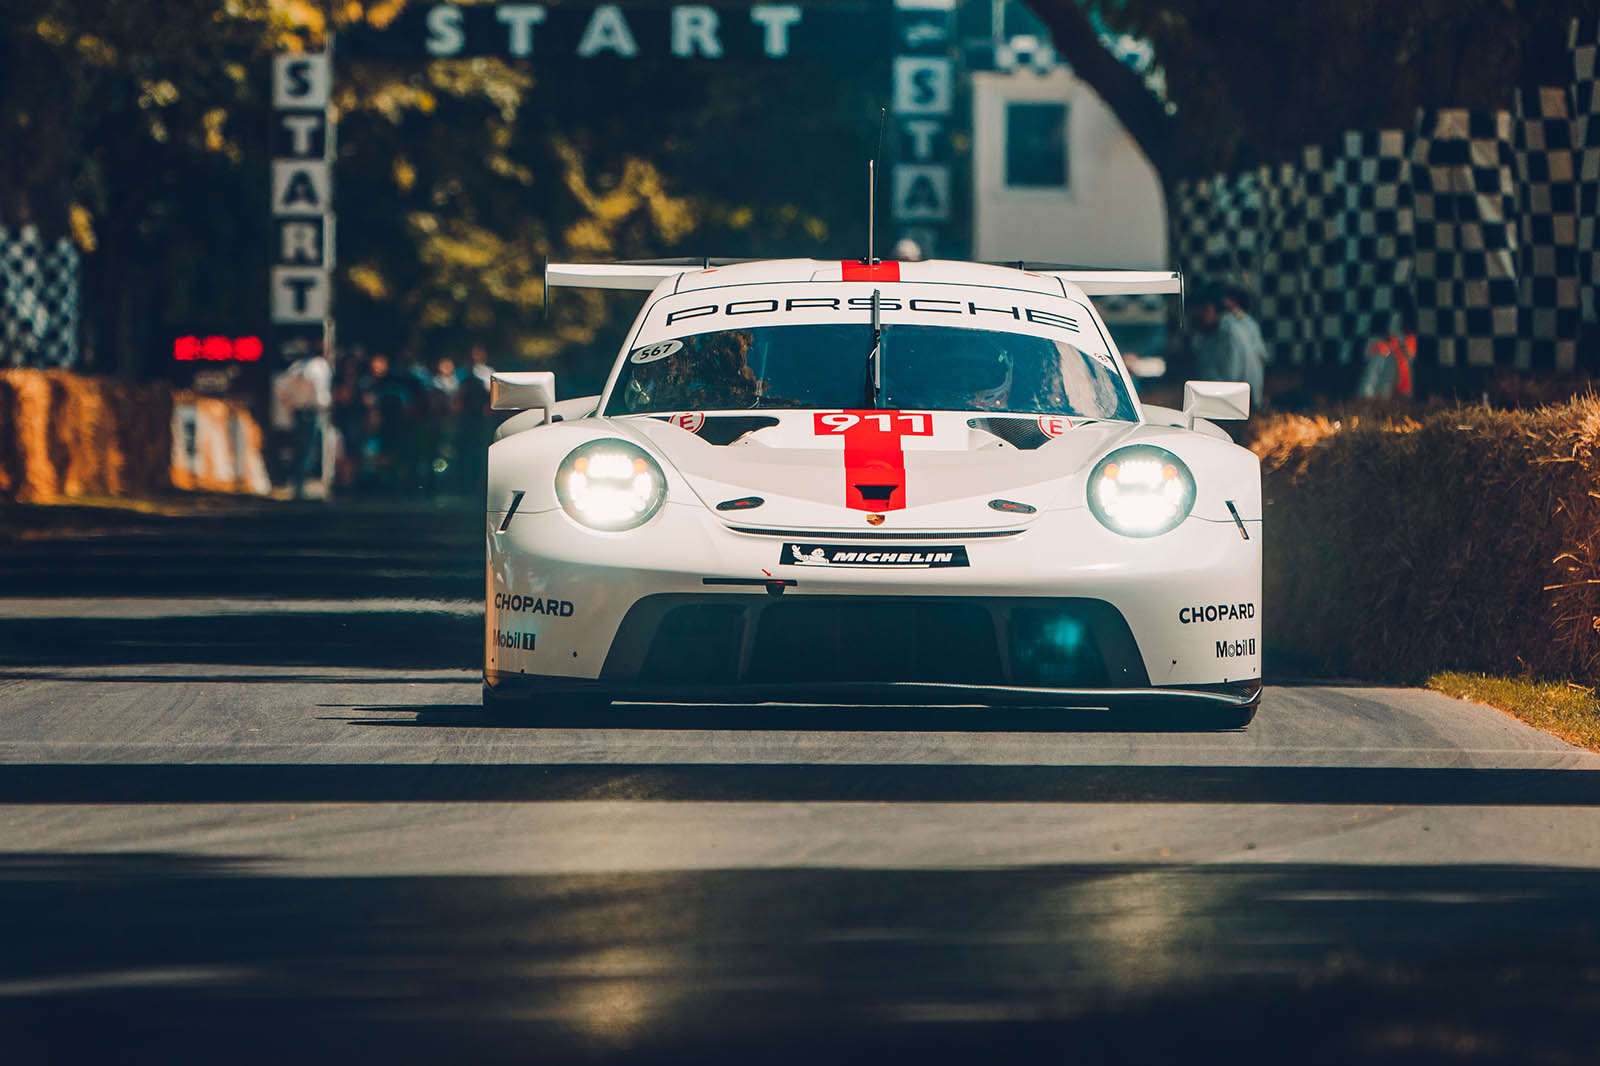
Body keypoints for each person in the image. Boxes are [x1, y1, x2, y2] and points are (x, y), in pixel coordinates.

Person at [275, 340, 334, 499]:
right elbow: (320, 392)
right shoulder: (319, 366)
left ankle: (298, 487)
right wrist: (324, 403)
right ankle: (300, 489)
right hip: (311, 412)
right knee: (307, 450)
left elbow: (280, 386)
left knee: (302, 449)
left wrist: (289, 404)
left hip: (300, 412)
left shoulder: (298, 365)